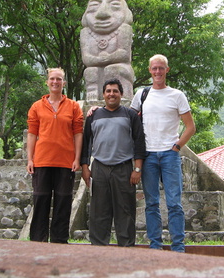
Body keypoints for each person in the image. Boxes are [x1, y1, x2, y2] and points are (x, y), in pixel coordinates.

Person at [130, 54, 196, 252]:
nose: (157, 72)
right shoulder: (141, 94)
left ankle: (178, 247)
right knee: (151, 203)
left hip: (169, 155)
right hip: (148, 155)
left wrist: (176, 147)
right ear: (149, 71)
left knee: (174, 203)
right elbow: (129, 119)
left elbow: (190, 127)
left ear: (167, 70)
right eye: (154, 68)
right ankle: (155, 245)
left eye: (161, 68)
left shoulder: (177, 95)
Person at [81, 78, 146, 246]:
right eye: (108, 91)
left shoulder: (130, 115)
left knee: (125, 211)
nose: (111, 94)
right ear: (103, 94)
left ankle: (126, 248)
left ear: (121, 94)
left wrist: (137, 169)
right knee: (98, 211)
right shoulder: (93, 115)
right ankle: (99, 247)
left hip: (123, 168)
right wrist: (85, 167)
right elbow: (86, 142)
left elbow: (139, 141)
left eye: (115, 91)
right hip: (100, 168)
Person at [26, 68, 83, 244]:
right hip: (42, 160)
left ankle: (59, 239)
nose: (55, 82)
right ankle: (38, 239)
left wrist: (77, 158)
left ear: (63, 83)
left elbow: (78, 133)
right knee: (41, 199)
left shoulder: (73, 106)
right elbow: (32, 134)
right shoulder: (37, 106)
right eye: (52, 79)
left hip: (66, 162)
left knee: (63, 201)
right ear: (47, 82)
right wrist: (30, 158)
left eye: (59, 79)